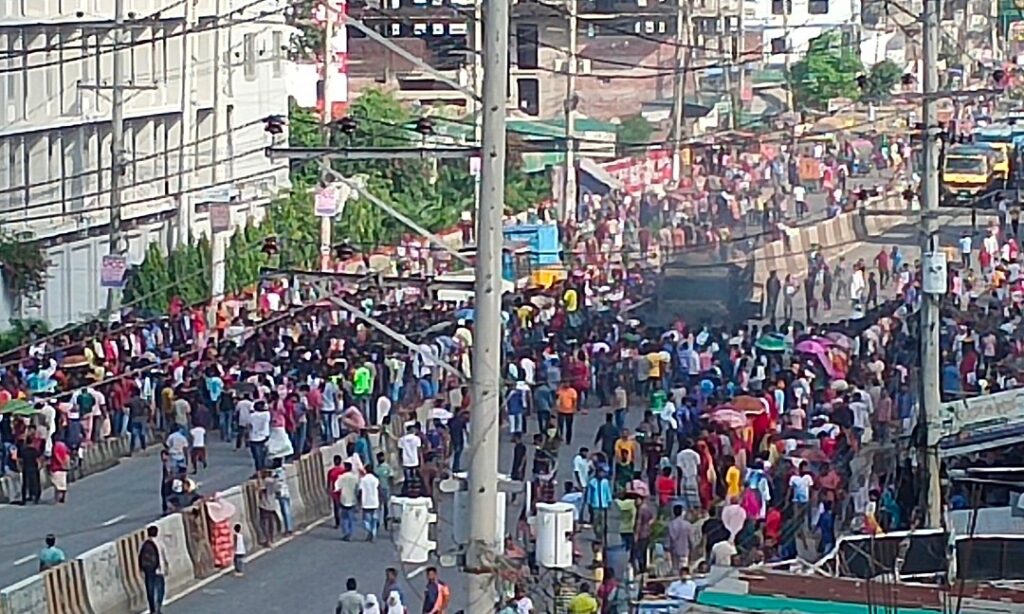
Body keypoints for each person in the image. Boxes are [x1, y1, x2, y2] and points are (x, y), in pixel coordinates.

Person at [138, 525, 167, 614]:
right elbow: (163, 556)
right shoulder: (159, 543)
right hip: (158, 569)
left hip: (148, 569)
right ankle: (158, 606)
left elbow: (140, 557)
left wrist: (141, 568)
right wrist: (166, 567)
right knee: (160, 589)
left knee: (150, 589)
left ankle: (152, 609)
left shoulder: (144, 544)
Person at [335, 461, 360, 540]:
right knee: (351, 518)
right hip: (352, 499)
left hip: (344, 499)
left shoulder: (341, 477)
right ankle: (350, 533)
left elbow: (337, 488)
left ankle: (346, 533)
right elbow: (358, 488)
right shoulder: (355, 477)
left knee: (344, 518)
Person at [257, 469, 279, 546]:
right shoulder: (275, 482)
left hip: (264, 505)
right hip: (272, 505)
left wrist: (259, 477)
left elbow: (260, 489)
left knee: (264, 523)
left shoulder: (265, 481)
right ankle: (272, 538)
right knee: (271, 523)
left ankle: (268, 539)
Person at [359, 467, 382, 541]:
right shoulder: (375, 479)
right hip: (374, 502)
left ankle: (369, 531)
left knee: (366, 520)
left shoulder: (363, 479)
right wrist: (380, 500)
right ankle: (374, 533)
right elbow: (379, 489)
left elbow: (360, 490)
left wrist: (359, 501)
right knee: (374, 520)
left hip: (366, 502)